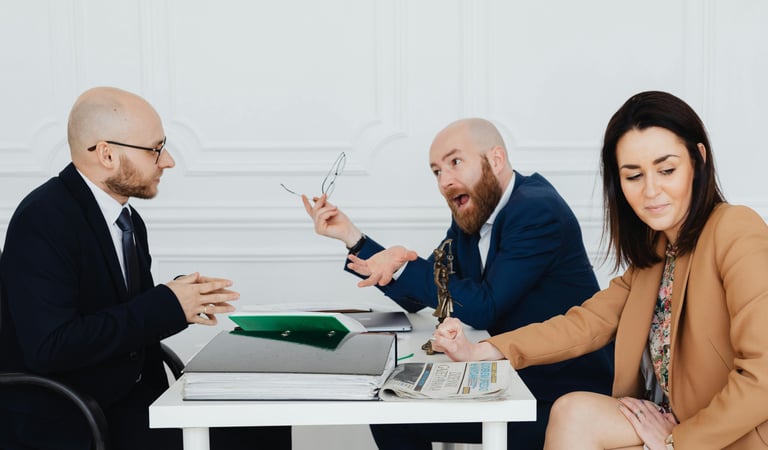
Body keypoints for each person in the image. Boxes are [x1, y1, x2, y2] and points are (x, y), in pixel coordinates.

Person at [432, 91, 768, 449]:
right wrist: (481, 351)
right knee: (572, 412)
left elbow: (763, 374)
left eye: (667, 170)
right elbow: (583, 325)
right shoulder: (657, 253)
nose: (651, 190)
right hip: (671, 422)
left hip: (730, 434)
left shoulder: (735, 230)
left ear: (698, 160)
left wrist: (678, 442)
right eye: (633, 176)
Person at [0, 87, 291, 450]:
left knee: (266, 421)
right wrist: (167, 304)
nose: (168, 161)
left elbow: (125, 316)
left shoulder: (127, 220)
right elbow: (50, 347)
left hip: (129, 399)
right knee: (244, 439)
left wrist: (181, 300)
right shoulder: (43, 219)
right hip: (71, 416)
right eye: (155, 149)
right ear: (107, 154)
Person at [303, 118, 614, 449]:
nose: (444, 181)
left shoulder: (537, 211)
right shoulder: (473, 212)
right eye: (436, 171)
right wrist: (352, 237)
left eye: (455, 162)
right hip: (509, 376)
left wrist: (404, 267)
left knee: (397, 417)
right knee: (392, 411)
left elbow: (485, 307)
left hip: (560, 395)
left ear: (496, 159)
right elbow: (421, 296)